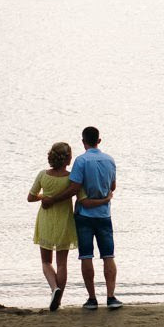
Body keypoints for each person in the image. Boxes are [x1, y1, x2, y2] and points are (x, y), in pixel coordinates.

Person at [67, 126, 121, 310]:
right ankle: (111, 296)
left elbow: (75, 186)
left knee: (86, 256)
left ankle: (91, 298)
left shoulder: (81, 161)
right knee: (108, 255)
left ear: (83, 142)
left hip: (84, 214)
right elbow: (112, 186)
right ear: (99, 141)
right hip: (104, 214)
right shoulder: (110, 160)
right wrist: (104, 196)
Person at [27, 142, 78, 312]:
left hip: (46, 220)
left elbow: (31, 197)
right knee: (62, 263)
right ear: (67, 158)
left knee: (46, 261)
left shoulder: (43, 175)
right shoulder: (71, 178)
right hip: (64, 221)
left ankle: (53, 288)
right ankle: (59, 297)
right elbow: (80, 195)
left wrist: (44, 196)